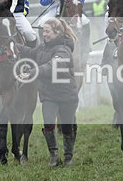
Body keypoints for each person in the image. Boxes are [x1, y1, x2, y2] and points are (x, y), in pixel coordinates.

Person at [19, 17, 79, 167]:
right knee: (49, 124)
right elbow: (31, 52)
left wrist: (33, 71)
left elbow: (52, 67)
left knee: (66, 127)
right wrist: (16, 46)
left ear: (57, 32)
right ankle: (54, 155)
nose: (43, 34)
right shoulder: (43, 47)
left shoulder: (63, 49)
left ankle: (68, 157)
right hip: (48, 95)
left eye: (47, 31)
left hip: (66, 94)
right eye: (43, 31)